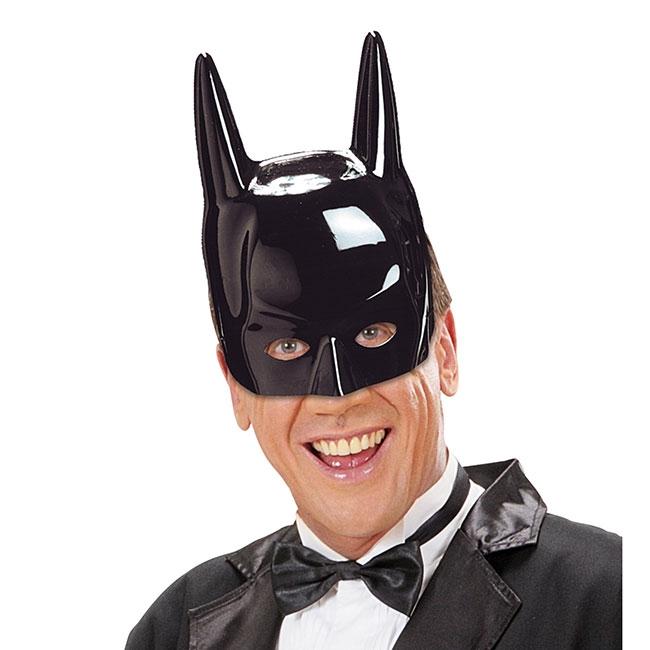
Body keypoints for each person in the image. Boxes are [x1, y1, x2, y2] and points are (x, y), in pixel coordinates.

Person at [125, 31, 622, 650]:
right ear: (235, 387)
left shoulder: (611, 600)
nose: (338, 398)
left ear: (445, 350)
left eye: (373, 332)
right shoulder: (174, 629)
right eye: (286, 349)